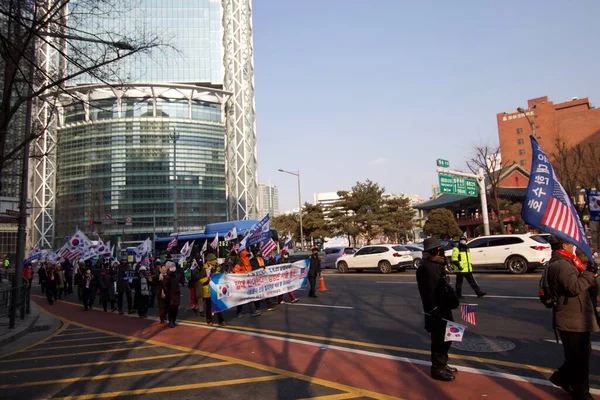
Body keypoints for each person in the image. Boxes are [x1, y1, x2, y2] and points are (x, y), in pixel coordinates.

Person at [546, 236, 599, 400]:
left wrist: (589, 273)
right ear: (564, 245)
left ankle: (562, 378)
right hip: (571, 319)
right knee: (579, 361)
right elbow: (574, 287)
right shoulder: (561, 265)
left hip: (578, 316)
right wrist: (589, 274)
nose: (573, 246)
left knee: (580, 357)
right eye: (571, 243)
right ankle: (581, 393)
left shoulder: (569, 262)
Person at [416, 237, 457, 382]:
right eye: (439, 249)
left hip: (444, 306)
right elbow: (426, 292)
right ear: (434, 251)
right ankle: (437, 368)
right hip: (435, 309)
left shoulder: (436, 265)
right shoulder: (425, 268)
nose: (442, 251)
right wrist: (432, 309)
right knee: (439, 340)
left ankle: (443, 363)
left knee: (448, 337)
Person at [233, 250, 260, 317]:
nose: (247, 258)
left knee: (250, 298)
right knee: (241, 299)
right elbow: (234, 272)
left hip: (249, 284)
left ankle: (253, 311)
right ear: (242, 256)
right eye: (246, 256)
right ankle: (238, 312)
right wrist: (243, 273)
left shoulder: (249, 264)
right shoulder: (239, 264)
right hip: (241, 285)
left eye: (248, 256)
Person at [201, 253, 225, 326]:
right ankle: (209, 320)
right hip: (207, 290)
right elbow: (200, 280)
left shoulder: (217, 267)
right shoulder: (204, 269)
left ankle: (221, 320)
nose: (215, 261)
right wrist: (207, 279)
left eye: (215, 259)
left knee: (218, 305)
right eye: (214, 260)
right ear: (209, 261)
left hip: (216, 290)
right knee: (209, 307)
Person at [165, 261, 184, 328]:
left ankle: (173, 320)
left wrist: (182, 274)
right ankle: (170, 321)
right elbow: (165, 285)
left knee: (176, 307)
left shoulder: (176, 275)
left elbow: (182, 281)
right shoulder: (167, 276)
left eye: (173, 266)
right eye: (171, 267)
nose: (173, 268)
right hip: (171, 294)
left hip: (177, 293)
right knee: (171, 308)